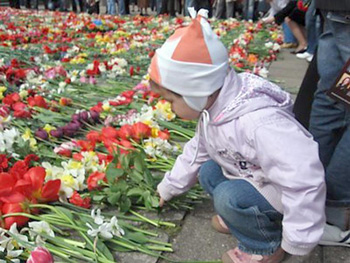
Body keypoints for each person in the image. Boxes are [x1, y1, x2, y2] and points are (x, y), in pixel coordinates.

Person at [149, 8, 325, 263]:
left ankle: (265, 244)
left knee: (228, 197)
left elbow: (303, 176)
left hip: (278, 188)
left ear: (196, 92)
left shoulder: (259, 122)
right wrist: (168, 187)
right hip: (252, 175)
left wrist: (298, 238)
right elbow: (196, 152)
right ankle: (242, 218)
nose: (168, 107)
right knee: (208, 170)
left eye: (171, 100)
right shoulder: (214, 108)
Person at [308, 0, 350, 242]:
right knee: (333, 99)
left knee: (332, 99)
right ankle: (335, 211)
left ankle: (306, 196)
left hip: (333, 7)